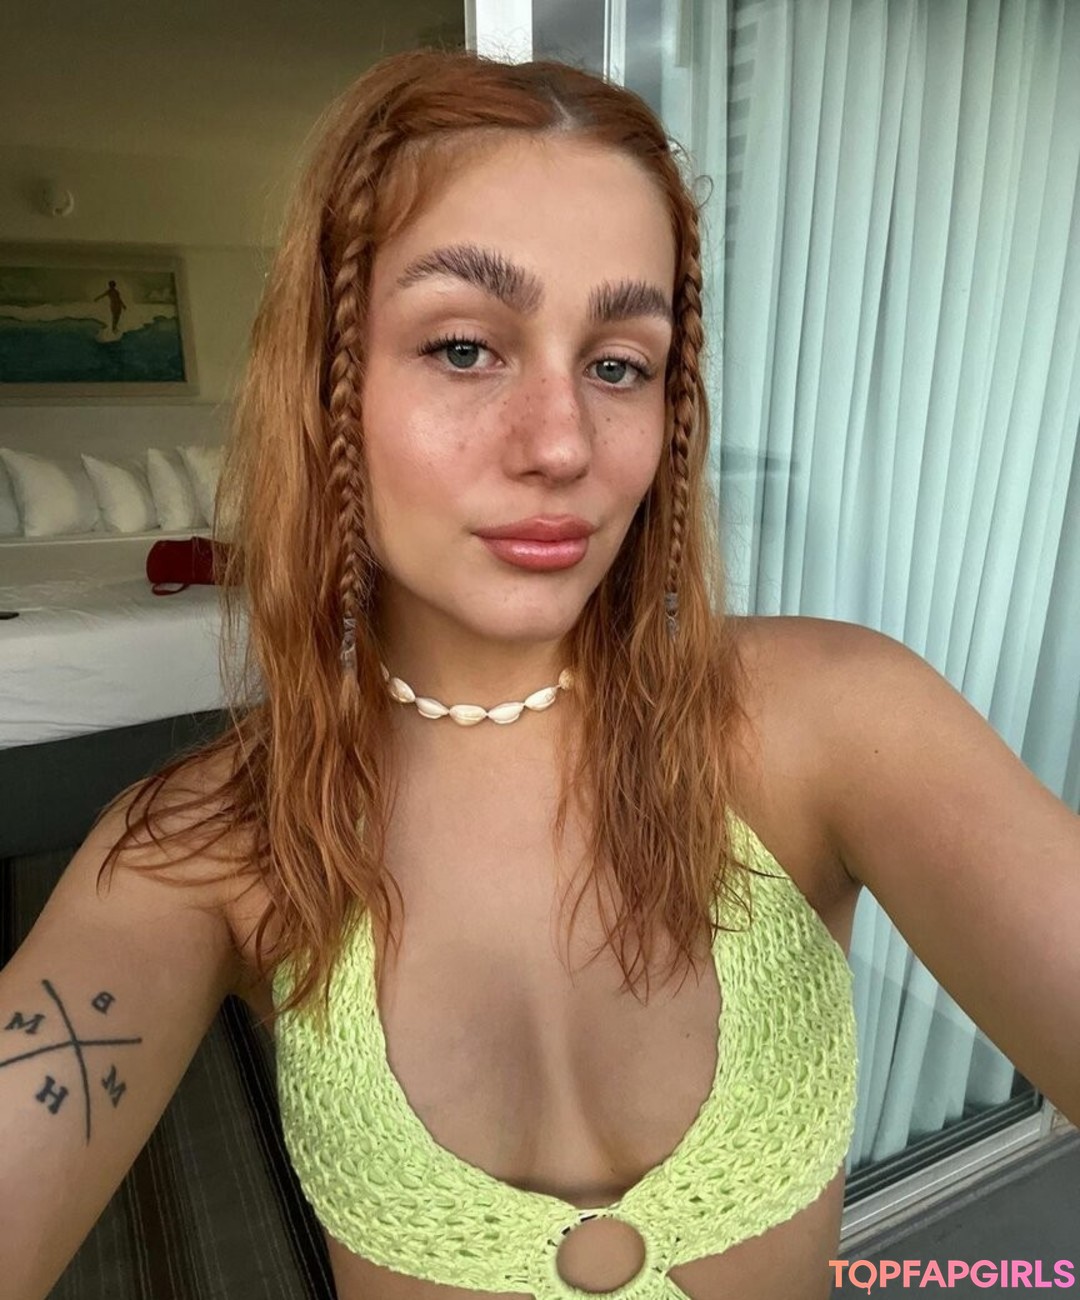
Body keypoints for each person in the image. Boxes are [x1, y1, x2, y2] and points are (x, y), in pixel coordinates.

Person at [2, 47, 1078, 1300]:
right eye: (465, 347)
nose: (563, 443)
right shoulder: (212, 845)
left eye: (619, 363)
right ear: (327, 385)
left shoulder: (828, 721)